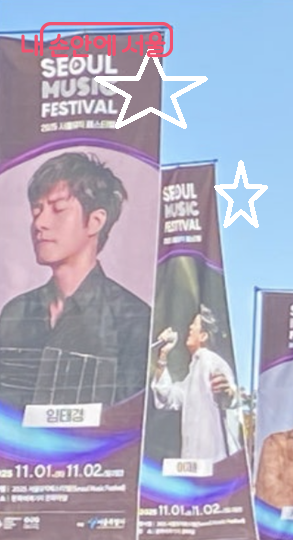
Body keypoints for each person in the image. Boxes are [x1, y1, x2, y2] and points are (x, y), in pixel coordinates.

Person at [0, 152, 150, 409]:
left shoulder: (133, 318)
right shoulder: (15, 312)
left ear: (95, 221)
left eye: (58, 209)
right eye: (37, 209)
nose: (40, 223)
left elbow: (130, 422)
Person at [151, 304, 240, 460]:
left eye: (194, 324)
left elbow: (230, 394)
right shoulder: (195, 368)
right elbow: (169, 397)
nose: (190, 328)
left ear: (203, 336)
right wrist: (163, 353)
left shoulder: (210, 360)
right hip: (195, 458)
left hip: (213, 458)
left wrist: (228, 392)